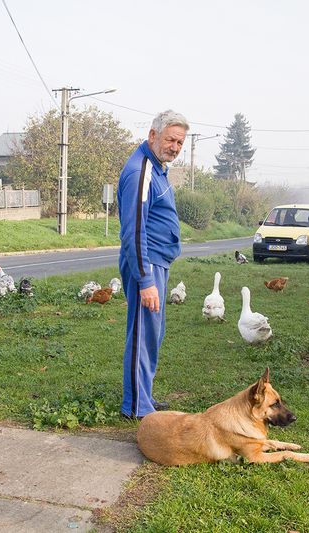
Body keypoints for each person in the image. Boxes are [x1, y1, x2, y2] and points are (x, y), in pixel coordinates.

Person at [117, 110, 188, 419]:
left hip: (158, 262)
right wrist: (145, 280)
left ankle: (143, 396)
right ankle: (135, 406)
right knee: (143, 333)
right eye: (170, 139)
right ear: (153, 136)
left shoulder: (158, 168)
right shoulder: (140, 171)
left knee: (152, 333)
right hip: (146, 265)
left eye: (180, 142)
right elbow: (133, 230)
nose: (174, 147)